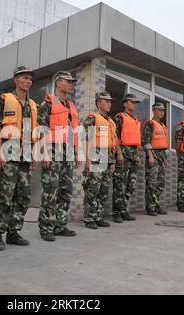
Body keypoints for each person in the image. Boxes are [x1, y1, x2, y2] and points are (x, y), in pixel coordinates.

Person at [0, 66, 38, 251]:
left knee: (23, 196)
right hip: (8, 153)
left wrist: (33, 155)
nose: (28, 81)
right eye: (25, 78)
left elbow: (31, 132)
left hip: (25, 155)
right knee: (4, 195)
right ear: (16, 80)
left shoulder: (32, 105)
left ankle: (13, 232)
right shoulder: (4, 99)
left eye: (30, 79)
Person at [37, 71, 81, 242]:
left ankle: (60, 225)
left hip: (68, 152)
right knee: (50, 191)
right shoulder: (48, 102)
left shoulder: (71, 105)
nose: (71, 85)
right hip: (53, 150)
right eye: (68, 82)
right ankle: (46, 227)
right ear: (58, 83)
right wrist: (45, 153)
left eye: (72, 82)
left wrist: (77, 152)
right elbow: (41, 129)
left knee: (66, 191)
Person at [82, 92, 117, 229]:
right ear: (98, 103)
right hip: (95, 155)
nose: (109, 104)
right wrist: (88, 159)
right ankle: (89, 218)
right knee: (93, 189)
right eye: (105, 101)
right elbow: (86, 139)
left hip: (107, 157)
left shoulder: (111, 121)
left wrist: (112, 161)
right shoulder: (92, 118)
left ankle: (98, 216)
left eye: (110, 101)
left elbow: (112, 142)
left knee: (104, 189)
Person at [112, 94, 141, 223]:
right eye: (132, 102)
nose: (134, 104)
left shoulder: (135, 120)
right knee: (119, 184)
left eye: (135, 102)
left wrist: (138, 155)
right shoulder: (119, 118)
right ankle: (117, 212)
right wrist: (118, 153)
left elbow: (136, 140)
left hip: (133, 155)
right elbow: (115, 137)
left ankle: (123, 210)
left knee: (131, 185)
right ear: (125, 104)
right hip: (123, 154)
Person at [142, 102, 169, 216]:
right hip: (153, 155)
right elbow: (146, 141)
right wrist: (150, 156)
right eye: (159, 110)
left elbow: (165, 143)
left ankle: (156, 204)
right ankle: (151, 207)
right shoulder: (150, 124)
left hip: (162, 156)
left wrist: (166, 158)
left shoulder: (162, 126)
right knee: (152, 183)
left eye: (163, 110)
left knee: (160, 183)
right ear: (154, 110)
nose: (162, 112)